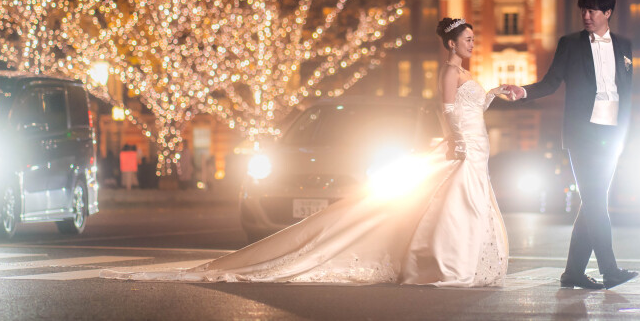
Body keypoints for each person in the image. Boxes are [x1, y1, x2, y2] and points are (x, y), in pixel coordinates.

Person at [102, 18, 513, 286]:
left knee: (466, 205)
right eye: (467, 39)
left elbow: (469, 107)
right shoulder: (449, 72)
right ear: (451, 42)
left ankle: (463, 262)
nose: (472, 44)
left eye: (472, 40)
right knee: (451, 205)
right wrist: (457, 141)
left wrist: (493, 93)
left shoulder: (466, 74)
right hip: (463, 147)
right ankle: (443, 263)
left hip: (475, 148)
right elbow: (446, 110)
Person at [506, 0, 638, 290]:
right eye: (583, 10)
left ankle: (573, 273)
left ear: (607, 13)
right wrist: (523, 91)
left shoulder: (624, 45)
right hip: (583, 133)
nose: (586, 15)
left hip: (613, 133)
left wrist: (627, 133)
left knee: (592, 202)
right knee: (595, 201)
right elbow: (551, 82)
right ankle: (610, 270)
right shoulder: (570, 44)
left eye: (592, 10)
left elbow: (626, 92)